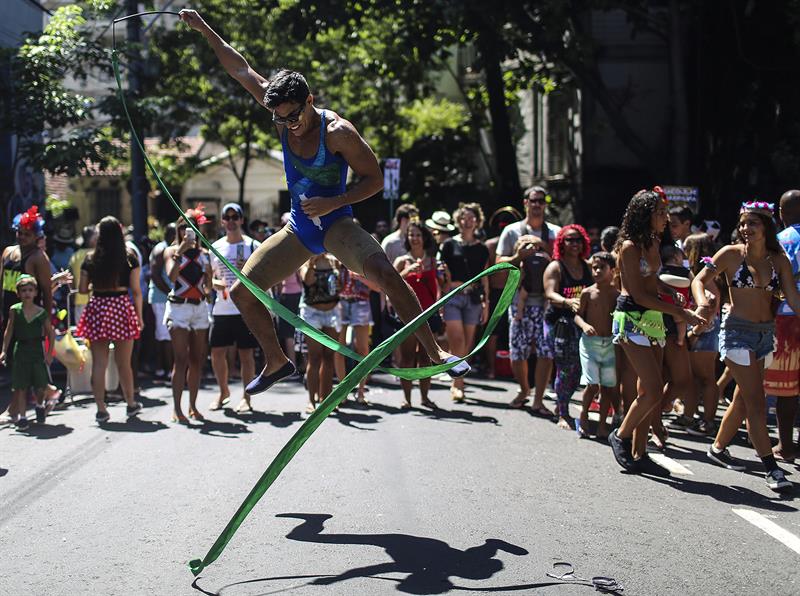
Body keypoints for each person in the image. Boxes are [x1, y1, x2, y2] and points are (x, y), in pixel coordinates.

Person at [180, 9, 470, 397]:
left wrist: (336, 202)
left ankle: (436, 352)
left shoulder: (338, 133)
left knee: (386, 273)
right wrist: (203, 28)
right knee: (242, 292)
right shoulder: (279, 111)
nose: (288, 125)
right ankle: (277, 360)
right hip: (299, 229)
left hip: (337, 225)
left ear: (310, 100)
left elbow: (375, 180)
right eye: (281, 119)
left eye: (294, 116)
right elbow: (240, 69)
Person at [694, 200, 800, 491]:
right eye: (742, 223)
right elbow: (699, 280)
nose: (745, 228)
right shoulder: (730, 254)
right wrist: (704, 303)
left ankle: (716, 448)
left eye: (752, 223)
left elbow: (792, 298)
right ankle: (771, 468)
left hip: (765, 335)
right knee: (756, 401)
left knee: (743, 399)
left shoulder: (778, 261)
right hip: (737, 333)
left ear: (766, 226)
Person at [607, 188, 703, 473]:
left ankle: (640, 453)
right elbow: (636, 293)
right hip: (633, 317)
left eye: (665, 212)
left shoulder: (654, 240)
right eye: (660, 213)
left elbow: (651, 280)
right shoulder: (628, 247)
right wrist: (680, 311)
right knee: (651, 389)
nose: (666, 218)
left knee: (650, 389)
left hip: (654, 316)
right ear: (645, 215)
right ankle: (620, 436)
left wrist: (667, 291)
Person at [495, 185, 561, 414]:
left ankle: (539, 399)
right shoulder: (512, 231)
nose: (537, 205)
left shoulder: (554, 232)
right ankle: (524, 389)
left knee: (545, 351)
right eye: (533, 200)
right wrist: (517, 256)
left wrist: (544, 247)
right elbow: (498, 264)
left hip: (547, 300)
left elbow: (564, 262)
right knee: (518, 350)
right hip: (518, 299)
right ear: (525, 203)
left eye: (541, 201)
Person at [76, 216, 144, 424]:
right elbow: (136, 291)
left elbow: (81, 289)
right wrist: (139, 317)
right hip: (121, 307)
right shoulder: (130, 257)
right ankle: (131, 403)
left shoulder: (90, 258)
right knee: (124, 363)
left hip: (97, 306)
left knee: (99, 363)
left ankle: (101, 409)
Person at [209, 203, 261, 413]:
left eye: (234, 217)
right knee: (216, 352)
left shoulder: (253, 246)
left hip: (244, 308)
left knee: (245, 354)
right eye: (227, 217)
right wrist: (214, 283)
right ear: (222, 221)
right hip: (222, 307)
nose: (231, 221)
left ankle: (246, 398)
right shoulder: (216, 247)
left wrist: (246, 272)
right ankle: (223, 392)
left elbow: (262, 277)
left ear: (241, 220)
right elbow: (211, 277)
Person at [164, 208, 213, 423]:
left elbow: (208, 286)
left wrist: (210, 280)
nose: (187, 231)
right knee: (180, 359)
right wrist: (181, 250)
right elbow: (171, 276)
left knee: (196, 359)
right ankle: (177, 408)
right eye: (183, 227)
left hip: (199, 308)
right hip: (179, 308)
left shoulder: (205, 254)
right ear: (177, 230)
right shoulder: (171, 251)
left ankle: (193, 405)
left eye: (191, 227)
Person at [543, 225, 594, 428]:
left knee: (579, 370)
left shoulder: (588, 266)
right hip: (559, 323)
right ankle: (563, 413)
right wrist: (567, 301)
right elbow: (549, 293)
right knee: (565, 368)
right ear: (561, 243)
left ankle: (561, 402)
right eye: (569, 240)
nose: (574, 244)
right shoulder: (556, 267)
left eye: (578, 240)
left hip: (581, 324)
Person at [438, 203, 490, 402]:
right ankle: (457, 384)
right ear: (458, 221)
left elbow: (485, 277)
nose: (467, 221)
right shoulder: (449, 245)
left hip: (474, 298)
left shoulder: (483, 249)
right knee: (457, 340)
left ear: (477, 221)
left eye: (471, 218)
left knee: (468, 343)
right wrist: (441, 299)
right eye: (463, 218)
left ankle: (458, 378)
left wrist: (487, 304)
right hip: (453, 295)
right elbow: (441, 273)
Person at [763, 190, 800, 461]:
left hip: (785, 317)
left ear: (780, 212)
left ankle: (785, 446)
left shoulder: (779, 241)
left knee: (786, 388)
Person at [394, 220, 440, 409]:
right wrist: (407, 271)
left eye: (418, 235)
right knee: (407, 359)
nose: (414, 238)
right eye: (411, 235)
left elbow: (441, 286)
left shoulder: (433, 260)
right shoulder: (401, 261)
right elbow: (391, 284)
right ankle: (407, 398)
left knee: (426, 358)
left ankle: (425, 397)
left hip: (429, 313)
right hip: (407, 316)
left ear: (424, 238)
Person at [574, 252, 620, 439]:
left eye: (602, 267)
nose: (597, 271)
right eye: (594, 267)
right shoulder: (587, 292)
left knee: (608, 386)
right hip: (590, 344)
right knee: (592, 385)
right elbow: (577, 315)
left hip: (609, 343)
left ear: (612, 270)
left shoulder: (616, 295)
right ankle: (583, 416)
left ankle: (602, 425)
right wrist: (584, 325)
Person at [0, 275, 55, 429]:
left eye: (30, 290)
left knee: (40, 384)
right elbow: (9, 331)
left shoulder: (41, 312)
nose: (27, 294)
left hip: (37, 349)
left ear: (35, 293)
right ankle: (23, 417)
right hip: (21, 350)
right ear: (18, 293)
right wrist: (4, 350)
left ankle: (39, 405)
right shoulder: (15, 310)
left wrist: (49, 353)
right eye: (24, 290)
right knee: (21, 385)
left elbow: (50, 333)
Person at [683, 232, 721, 438]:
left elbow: (711, 301)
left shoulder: (705, 277)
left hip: (704, 332)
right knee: (696, 379)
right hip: (705, 331)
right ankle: (692, 417)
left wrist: (695, 332)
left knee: (706, 378)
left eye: (687, 249)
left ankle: (708, 422)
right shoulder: (710, 274)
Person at [483, 207, 522, 378]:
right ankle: (494, 368)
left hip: (511, 292)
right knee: (495, 332)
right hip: (499, 293)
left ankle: (505, 369)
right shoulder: (494, 245)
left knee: (503, 332)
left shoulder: (515, 244)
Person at [300, 253, 340, 413]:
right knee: (314, 357)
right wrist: (311, 263)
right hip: (312, 313)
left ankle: (326, 398)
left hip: (333, 311)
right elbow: (308, 281)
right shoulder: (304, 261)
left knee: (329, 356)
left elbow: (340, 287)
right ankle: (311, 400)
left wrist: (337, 275)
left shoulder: (333, 260)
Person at [1, 206, 53, 328]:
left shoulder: (39, 257)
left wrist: (47, 323)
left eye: (27, 234)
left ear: (36, 236)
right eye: (20, 232)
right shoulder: (8, 252)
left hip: (29, 319)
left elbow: (47, 293)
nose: (22, 237)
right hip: (7, 315)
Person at [335, 262, 377, 404]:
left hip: (361, 303)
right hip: (340, 303)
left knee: (363, 350)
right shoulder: (336, 259)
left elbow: (377, 287)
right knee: (338, 349)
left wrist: (360, 277)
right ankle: (342, 392)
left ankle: (360, 391)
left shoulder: (365, 260)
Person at [68, 225, 97, 325]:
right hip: (96, 299)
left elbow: (70, 279)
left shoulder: (74, 256)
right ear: (92, 240)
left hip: (78, 299)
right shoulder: (96, 254)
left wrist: (73, 297)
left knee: (81, 335)